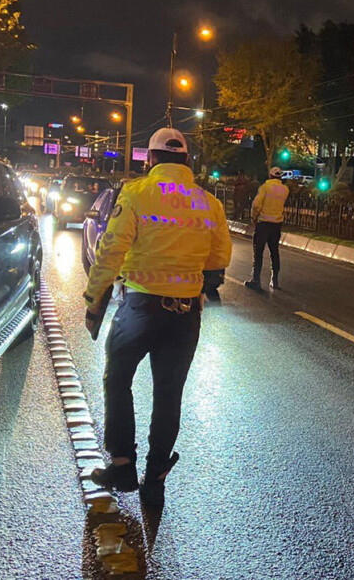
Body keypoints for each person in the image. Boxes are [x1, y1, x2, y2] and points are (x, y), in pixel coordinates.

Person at [83, 127, 231, 507]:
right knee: (169, 395)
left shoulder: (135, 193)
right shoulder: (209, 203)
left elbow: (110, 250)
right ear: (186, 161)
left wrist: (95, 299)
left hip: (139, 309)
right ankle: (156, 478)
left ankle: (122, 465)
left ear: (149, 160)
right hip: (184, 315)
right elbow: (219, 259)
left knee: (118, 381)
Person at [245, 166, 289, 291]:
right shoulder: (285, 190)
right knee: (274, 252)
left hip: (263, 224)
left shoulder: (265, 187)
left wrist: (254, 217)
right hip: (276, 225)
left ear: (270, 175)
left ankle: (256, 280)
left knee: (258, 253)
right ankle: (274, 280)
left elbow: (256, 204)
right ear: (280, 176)